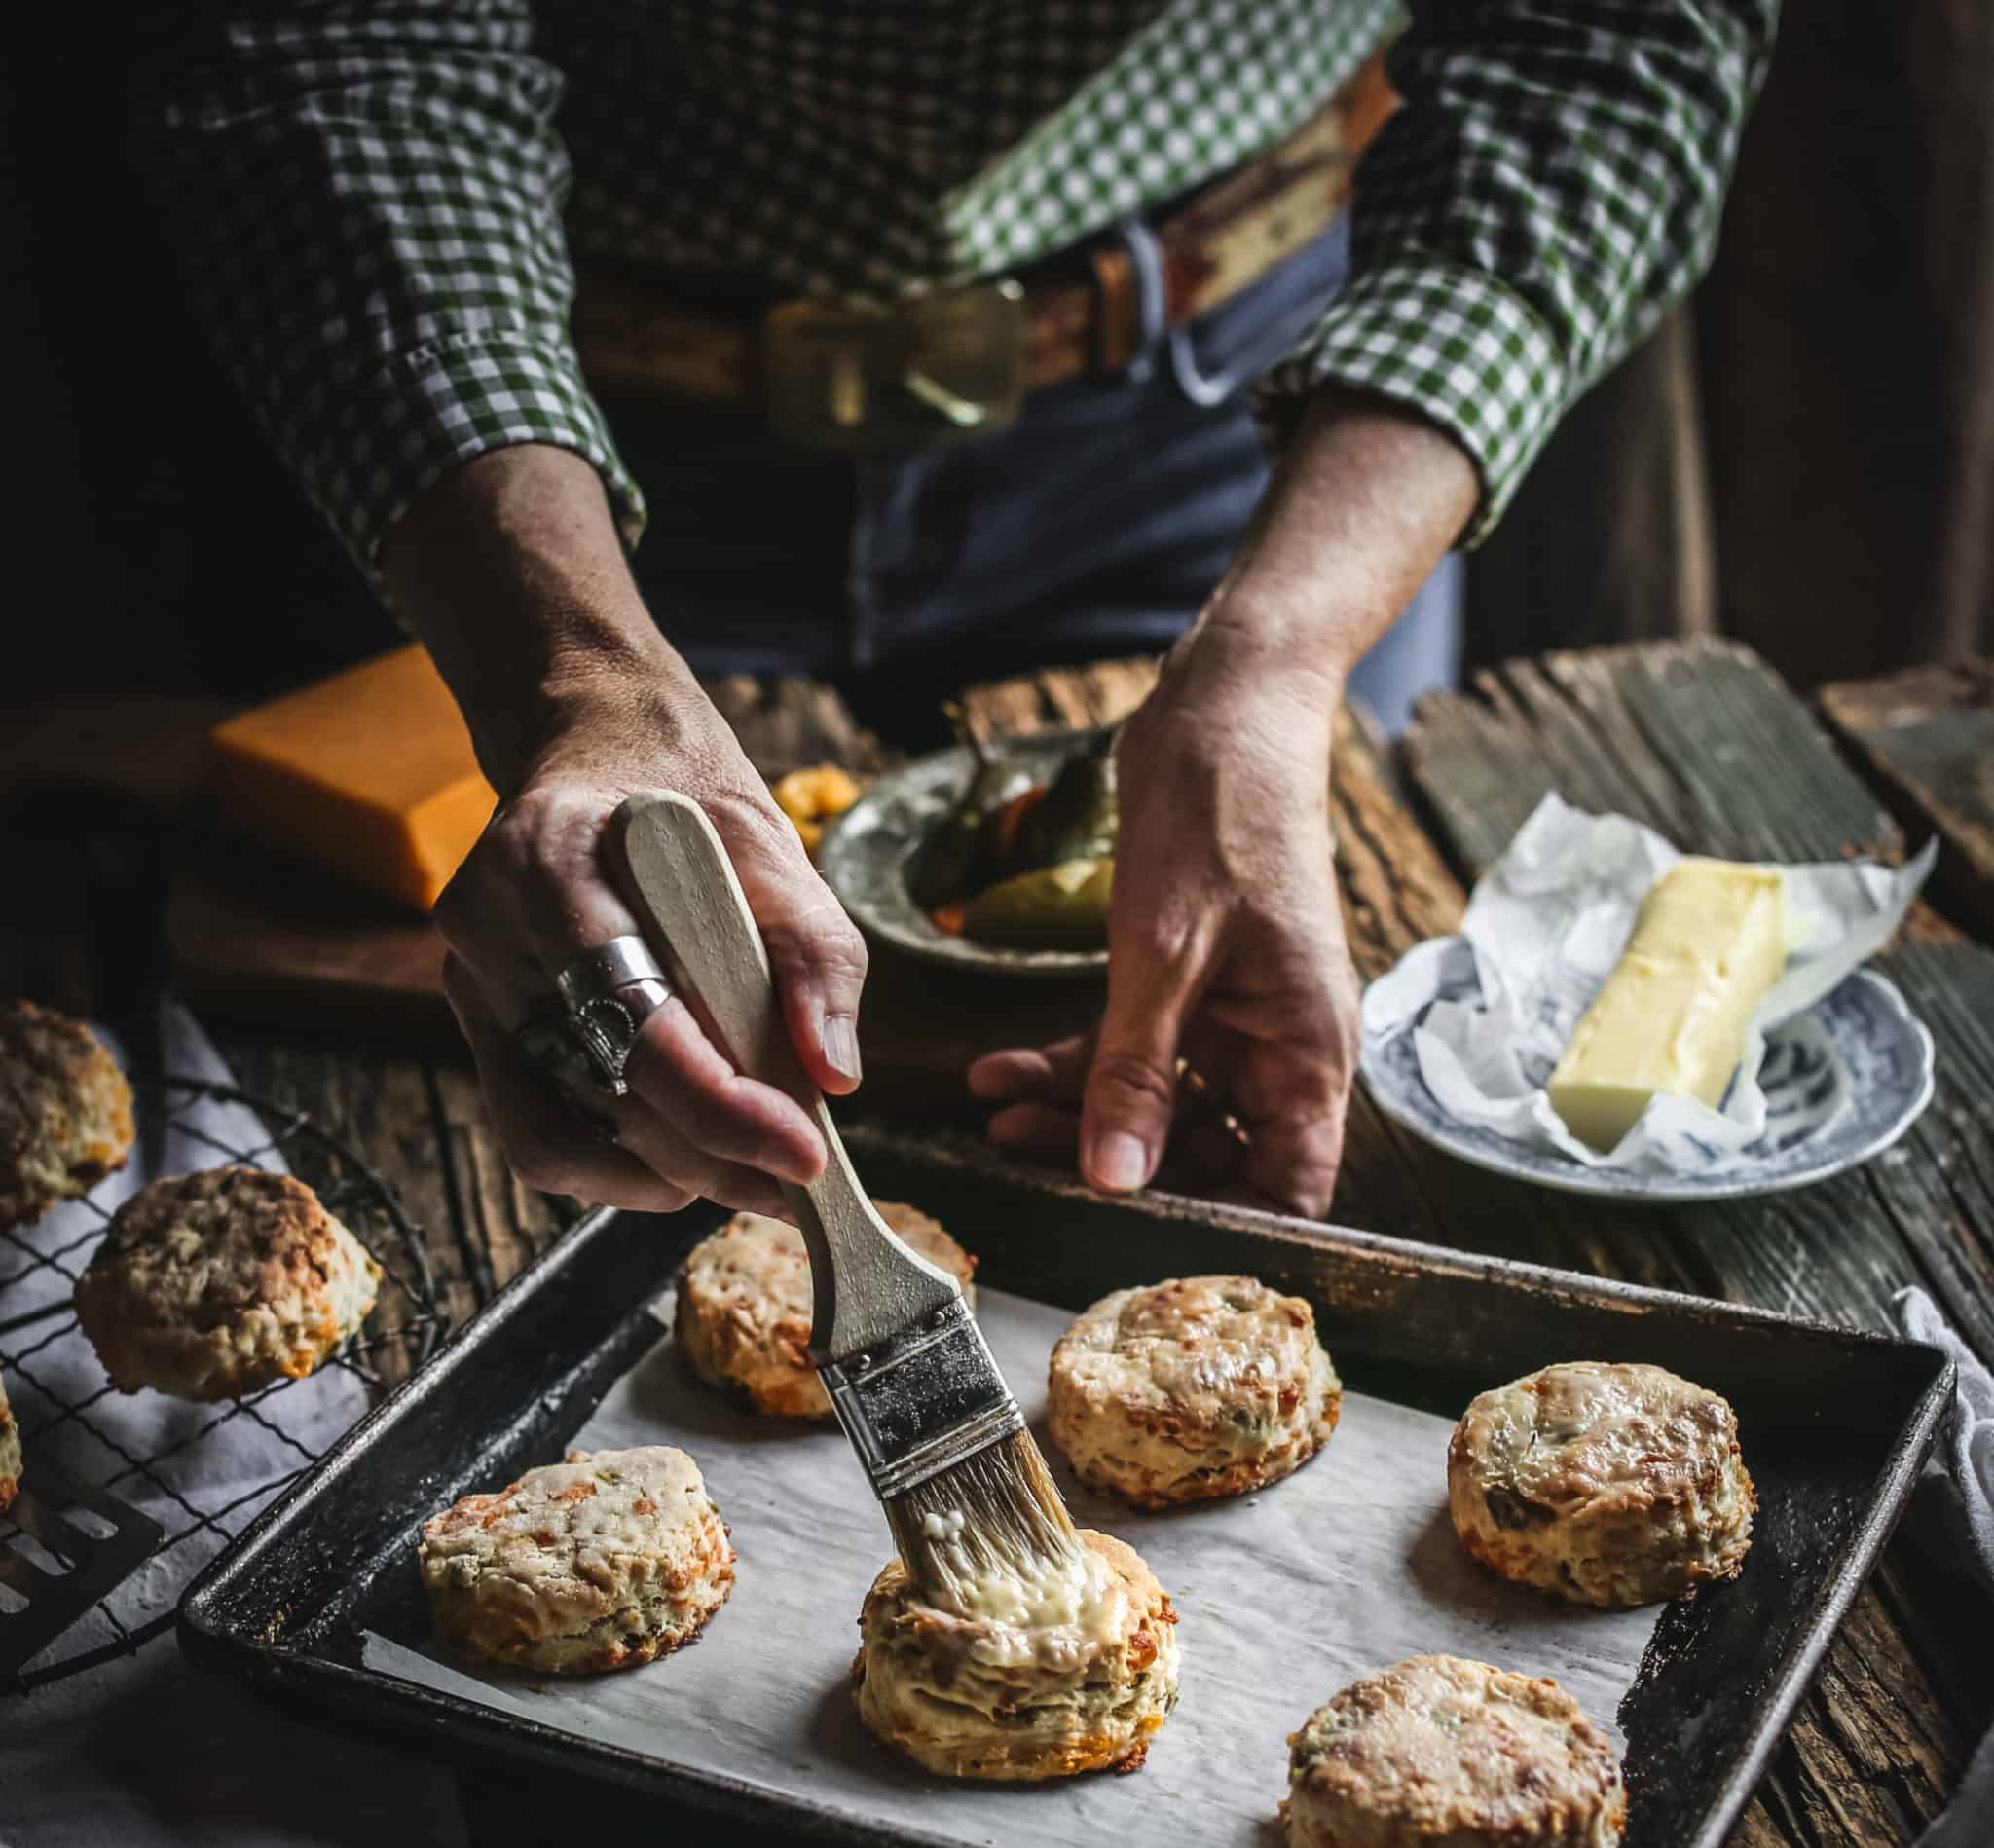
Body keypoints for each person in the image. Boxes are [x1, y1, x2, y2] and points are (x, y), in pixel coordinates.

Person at [150, 1, 1775, 1219]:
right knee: (574, 1028)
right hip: (538, 414)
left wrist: (1276, 653)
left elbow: (1613, 38)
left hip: (1244, 405)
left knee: (1230, 997)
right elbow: (336, 47)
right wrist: (569, 675)